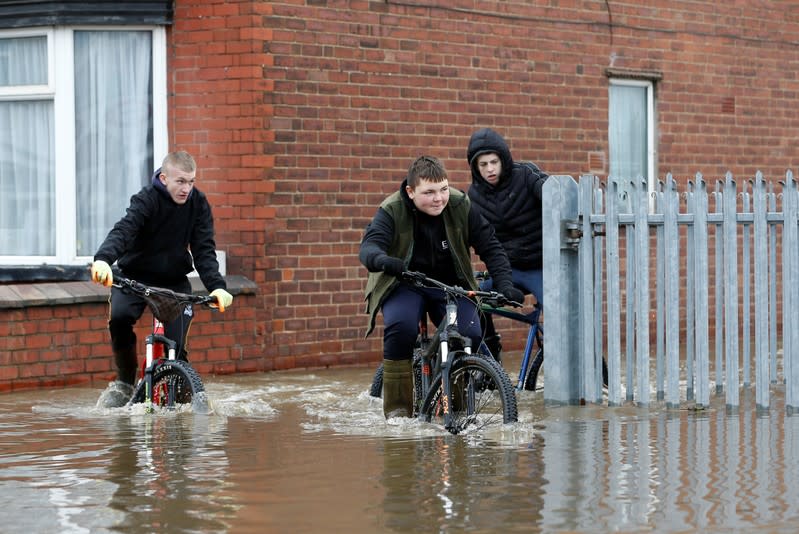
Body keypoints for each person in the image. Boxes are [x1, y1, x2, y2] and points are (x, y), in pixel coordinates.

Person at [359, 155, 524, 419]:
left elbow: (491, 246)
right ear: (411, 192)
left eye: (444, 189)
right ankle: (398, 412)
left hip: (448, 285)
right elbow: (369, 246)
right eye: (430, 192)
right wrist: (383, 260)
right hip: (404, 282)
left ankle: (456, 408)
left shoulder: (460, 205)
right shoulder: (391, 209)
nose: (439, 198)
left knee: (470, 330)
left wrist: (505, 283)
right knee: (401, 327)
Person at [89, 150, 233, 408]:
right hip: (134, 278)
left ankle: (184, 398)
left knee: (176, 348)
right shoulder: (146, 200)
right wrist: (103, 259)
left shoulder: (198, 204)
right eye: (180, 181)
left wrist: (218, 287)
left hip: (173, 282)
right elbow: (124, 230)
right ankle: (124, 382)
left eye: (191, 181)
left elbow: (204, 250)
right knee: (120, 319)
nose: (186, 188)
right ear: (164, 178)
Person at [465, 127, 549, 361]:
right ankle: (491, 353)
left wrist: (549, 192)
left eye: (494, 161)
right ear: (475, 167)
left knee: (556, 310)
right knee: (471, 300)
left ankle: (562, 365)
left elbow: (554, 194)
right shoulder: (474, 196)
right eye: (483, 164)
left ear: (503, 159)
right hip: (507, 270)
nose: (490, 169)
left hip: (540, 265)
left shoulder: (525, 174)